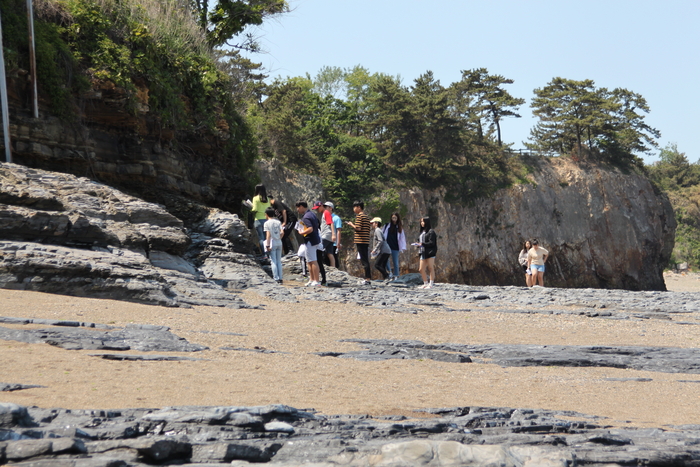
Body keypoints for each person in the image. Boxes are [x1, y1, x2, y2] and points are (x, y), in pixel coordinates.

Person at [295, 201, 322, 287]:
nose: (297, 210)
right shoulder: (311, 214)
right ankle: (312, 279)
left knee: (313, 260)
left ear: (302, 206)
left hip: (310, 240)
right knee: (309, 260)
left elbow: (310, 229)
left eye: (298, 207)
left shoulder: (306, 217)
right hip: (313, 239)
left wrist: (301, 232)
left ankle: (316, 280)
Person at [346, 200, 371, 285]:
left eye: (354, 207)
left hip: (361, 240)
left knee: (364, 260)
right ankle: (367, 278)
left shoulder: (359, 216)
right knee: (365, 259)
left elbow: (358, 228)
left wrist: (351, 224)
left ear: (359, 207)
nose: (354, 209)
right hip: (366, 240)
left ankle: (367, 279)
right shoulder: (366, 216)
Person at [382, 212, 406, 280]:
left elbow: (402, 238)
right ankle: (389, 273)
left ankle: (396, 275)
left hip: (395, 247)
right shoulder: (387, 226)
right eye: (393, 218)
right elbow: (382, 234)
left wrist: (403, 247)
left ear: (398, 218)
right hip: (387, 246)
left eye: (395, 218)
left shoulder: (399, 228)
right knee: (386, 260)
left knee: (395, 262)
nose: (394, 219)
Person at [415, 217, 437, 289]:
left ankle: (431, 284)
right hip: (422, 252)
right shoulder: (422, 232)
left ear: (427, 222)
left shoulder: (431, 232)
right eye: (421, 221)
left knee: (430, 267)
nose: (422, 223)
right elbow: (420, 241)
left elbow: (432, 243)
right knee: (421, 269)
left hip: (430, 252)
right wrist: (418, 244)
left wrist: (422, 244)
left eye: (423, 221)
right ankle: (425, 283)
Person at [263, 207, 284, 284]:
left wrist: (267, 245)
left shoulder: (266, 223)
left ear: (267, 214)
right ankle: (281, 278)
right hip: (279, 242)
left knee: (273, 261)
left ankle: (276, 278)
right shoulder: (278, 222)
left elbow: (268, 235)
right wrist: (279, 238)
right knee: (279, 261)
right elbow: (282, 232)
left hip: (272, 243)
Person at [314, 201, 337, 268]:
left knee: (318, 249)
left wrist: (333, 234)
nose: (317, 209)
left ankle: (318, 265)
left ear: (321, 206)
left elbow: (331, 223)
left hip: (326, 235)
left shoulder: (326, 212)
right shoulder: (325, 213)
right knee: (329, 252)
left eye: (318, 208)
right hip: (328, 235)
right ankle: (333, 267)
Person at [251, 184, 271, 256]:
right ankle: (269, 253)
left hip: (258, 220)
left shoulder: (255, 198)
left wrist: (250, 208)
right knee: (267, 237)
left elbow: (255, 209)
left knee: (261, 238)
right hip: (267, 220)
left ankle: (264, 254)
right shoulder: (268, 199)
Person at [325, 201, 343, 267]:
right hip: (326, 241)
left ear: (330, 208)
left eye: (326, 207)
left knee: (334, 258)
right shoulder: (325, 217)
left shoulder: (336, 218)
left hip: (333, 242)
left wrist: (338, 242)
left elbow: (338, 230)